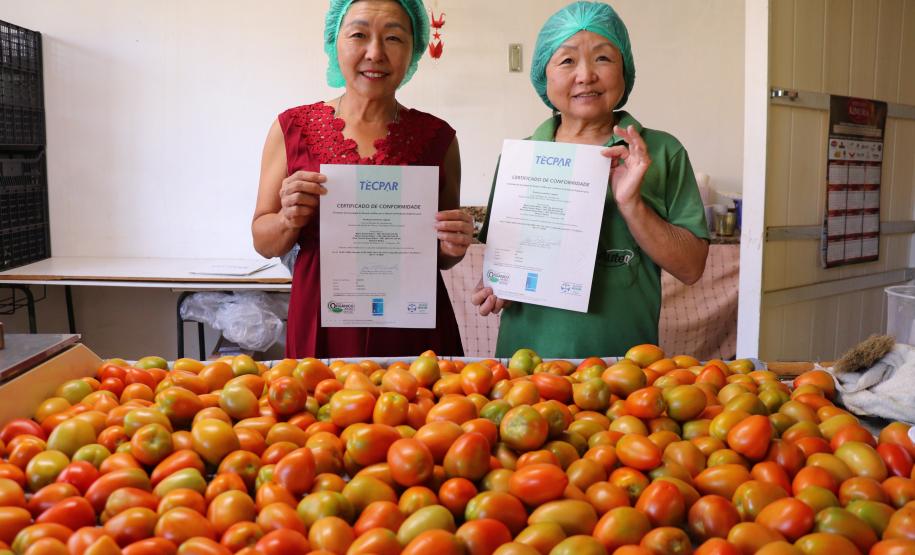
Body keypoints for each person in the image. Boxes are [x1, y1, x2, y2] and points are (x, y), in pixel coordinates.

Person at [473, 1, 709, 359]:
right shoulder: (520, 160)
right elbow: (504, 260)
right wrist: (498, 282)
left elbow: (691, 268)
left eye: (602, 58)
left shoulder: (660, 152)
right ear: (544, 75)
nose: (585, 75)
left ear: (625, 70)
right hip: (525, 365)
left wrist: (632, 204)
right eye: (567, 61)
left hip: (624, 370)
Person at [252, 0, 473, 358]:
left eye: (394, 38)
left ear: (413, 50)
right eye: (359, 35)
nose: (375, 52)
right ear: (335, 42)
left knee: (418, 412)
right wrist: (286, 219)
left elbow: (442, 255)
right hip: (323, 319)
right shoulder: (291, 128)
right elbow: (263, 241)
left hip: (412, 326)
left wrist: (453, 245)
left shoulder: (439, 139)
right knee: (320, 410)